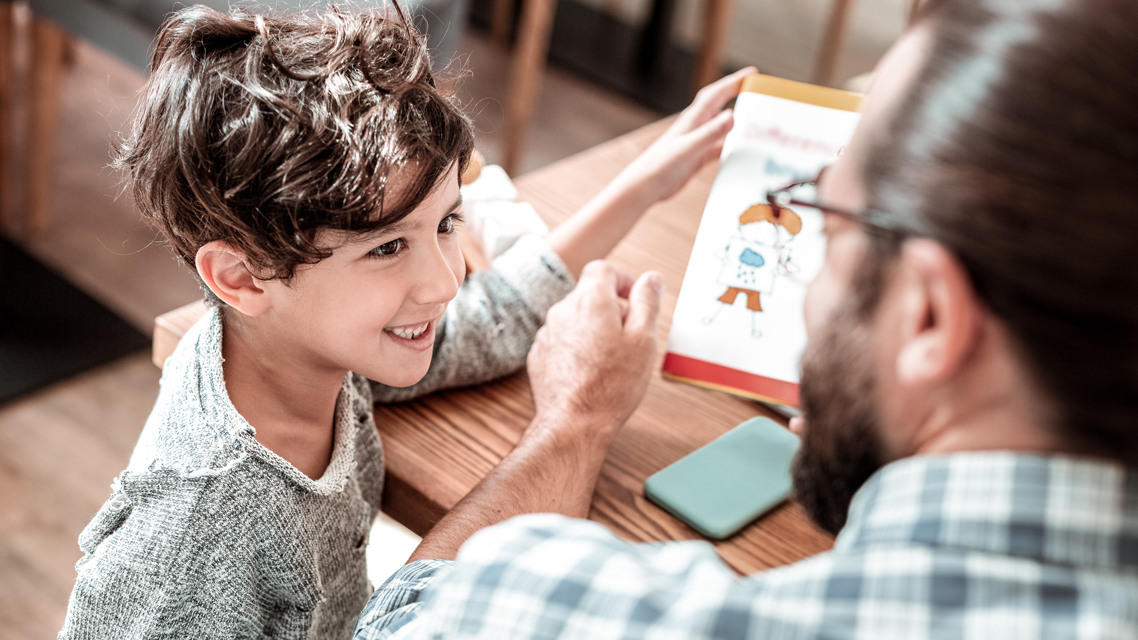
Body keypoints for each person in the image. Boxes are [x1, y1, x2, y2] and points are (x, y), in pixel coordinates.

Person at [354, 0, 1138, 637]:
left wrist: (575, 421)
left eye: (826, 222)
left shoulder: (561, 607)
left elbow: (399, 619)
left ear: (930, 316)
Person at [57, 3, 752, 638]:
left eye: (447, 222)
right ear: (241, 277)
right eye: (388, 247)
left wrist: (646, 182)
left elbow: (491, 319)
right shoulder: (196, 544)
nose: (445, 280)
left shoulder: (309, 352)